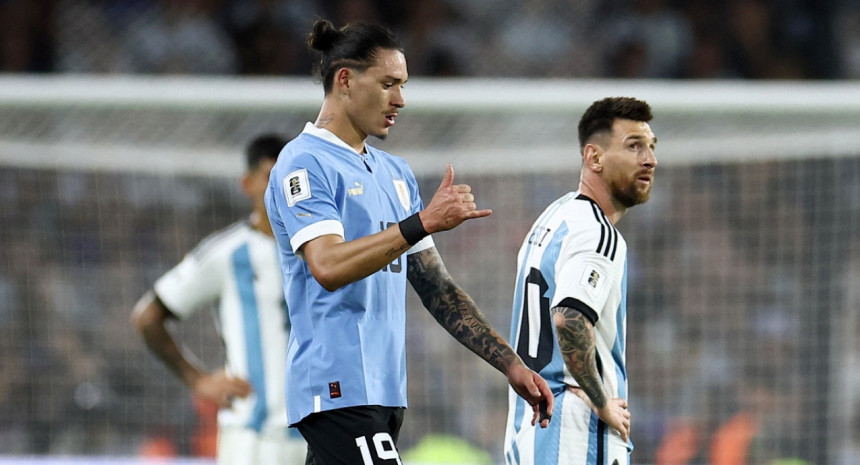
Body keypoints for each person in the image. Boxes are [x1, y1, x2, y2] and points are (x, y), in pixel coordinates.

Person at [264, 19, 554, 465]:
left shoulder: (395, 174)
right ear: (345, 80)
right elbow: (326, 266)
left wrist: (510, 363)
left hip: (385, 390)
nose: (400, 100)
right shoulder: (303, 163)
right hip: (337, 385)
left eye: (402, 85)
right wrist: (422, 222)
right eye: (388, 84)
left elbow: (437, 289)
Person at [131, 134, 307, 464]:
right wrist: (197, 379)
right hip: (254, 439)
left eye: (290, 177)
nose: (281, 188)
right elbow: (147, 317)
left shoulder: (324, 249)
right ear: (247, 183)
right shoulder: (228, 253)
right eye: (271, 177)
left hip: (320, 434)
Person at [504, 97, 658, 465]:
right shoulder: (597, 233)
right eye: (634, 146)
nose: (650, 159)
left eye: (652, 147)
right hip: (574, 431)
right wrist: (602, 400)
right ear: (594, 158)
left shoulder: (554, 218)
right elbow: (569, 317)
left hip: (532, 430)